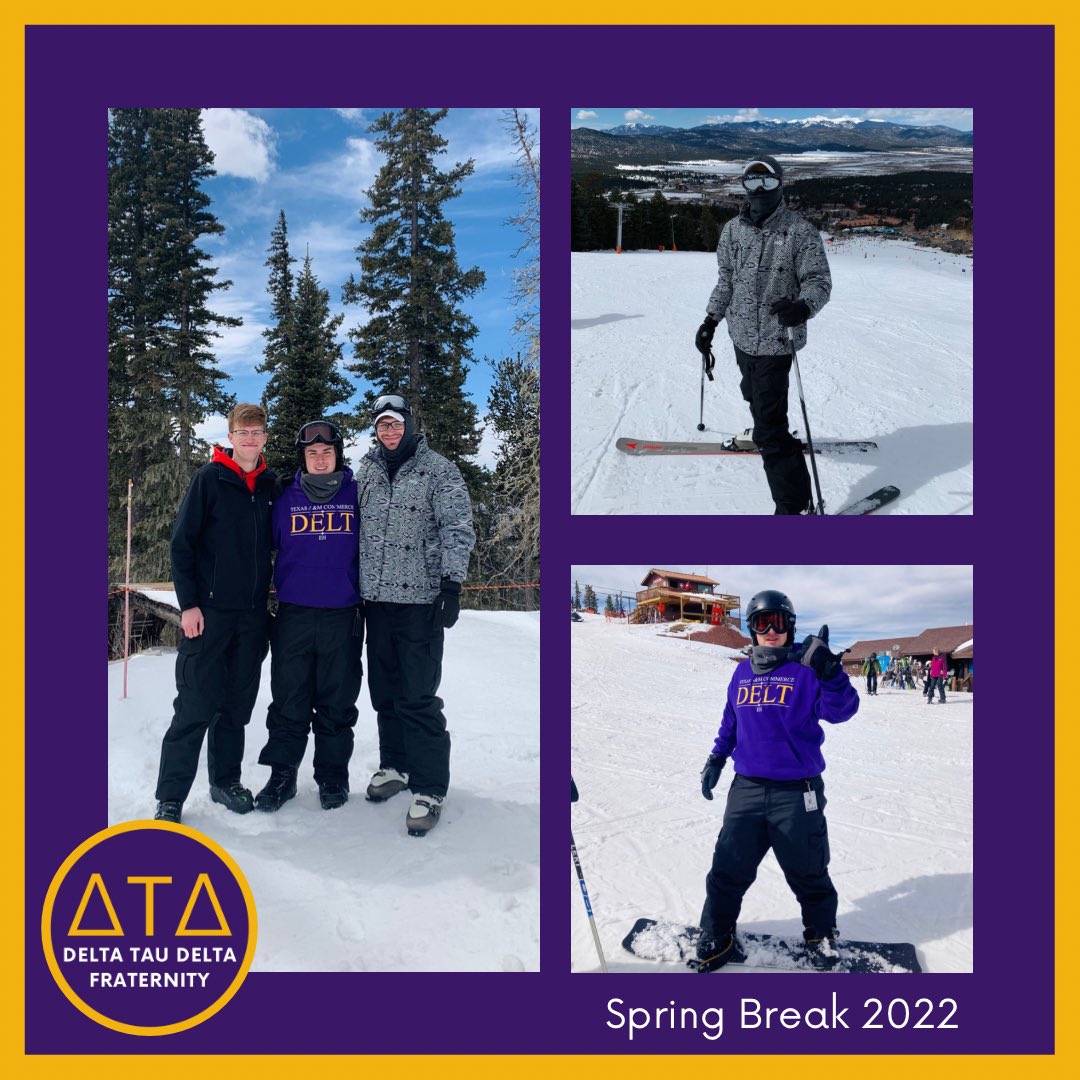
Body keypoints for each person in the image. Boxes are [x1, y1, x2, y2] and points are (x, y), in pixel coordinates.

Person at [697, 589, 858, 971]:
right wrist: (717, 757)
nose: (771, 631)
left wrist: (832, 674)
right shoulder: (740, 672)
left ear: (791, 627)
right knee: (728, 867)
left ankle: (821, 935)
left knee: (809, 870)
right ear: (751, 630)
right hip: (747, 788)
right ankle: (717, 932)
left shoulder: (806, 668)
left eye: (780, 622)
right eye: (762, 623)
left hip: (797, 792)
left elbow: (843, 711)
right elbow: (731, 722)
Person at [355, 394, 476, 836]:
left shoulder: (438, 470)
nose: (389, 431)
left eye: (396, 423)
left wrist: (450, 584)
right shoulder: (366, 470)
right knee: (384, 690)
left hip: (421, 601)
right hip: (375, 601)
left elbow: (458, 527)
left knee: (418, 695)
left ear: (408, 424)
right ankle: (395, 766)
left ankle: (429, 786)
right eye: (382, 425)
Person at [154, 404, 276, 823]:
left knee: (236, 707)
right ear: (231, 435)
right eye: (243, 432)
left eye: (256, 432)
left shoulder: (270, 485)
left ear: (264, 437)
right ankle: (170, 798)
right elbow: (181, 545)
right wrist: (188, 604)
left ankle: (225, 781)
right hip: (207, 615)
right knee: (194, 705)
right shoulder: (209, 479)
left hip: (252, 618)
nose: (249, 438)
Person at [694, 155, 833, 514]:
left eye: (767, 182)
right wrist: (710, 320)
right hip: (740, 334)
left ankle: (793, 504)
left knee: (771, 427)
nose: (758, 190)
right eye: (751, 182)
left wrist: (803, 306)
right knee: (752, 396)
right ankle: (762, 426)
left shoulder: (798, 231)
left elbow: (818, 281)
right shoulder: (732, 230)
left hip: (776, 339)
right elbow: (726, 280)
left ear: (779, 185)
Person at [254, 420, 364, 813]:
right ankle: (281, 775)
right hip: (294, 615)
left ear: (338, 455)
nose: (320, 459)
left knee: (337, 701)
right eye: (312, 453)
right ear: (303, 457)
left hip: (342, 614)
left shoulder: (358, 494)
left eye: (327, 452)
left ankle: (333, 775)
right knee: (289, 699)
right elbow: (256, 543)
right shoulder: (284, 496)